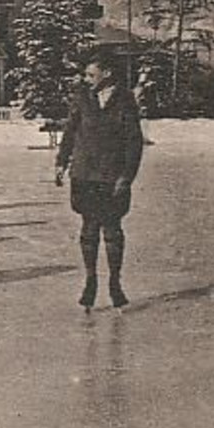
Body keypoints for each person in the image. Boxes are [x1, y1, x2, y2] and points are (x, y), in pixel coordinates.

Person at [56, 54, 144, 311]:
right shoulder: (82, 97)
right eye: (85, 75)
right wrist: (61, 162)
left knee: (112, 228)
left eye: (90, 75)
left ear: (107, 74)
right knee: (89, 226)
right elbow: (70, 131)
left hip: (111, 176)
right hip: (84, 174)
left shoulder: (125, 100)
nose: (86, 79)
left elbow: (134, 142)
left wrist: (127, 177)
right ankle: (91, 280)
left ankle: (115, 283)